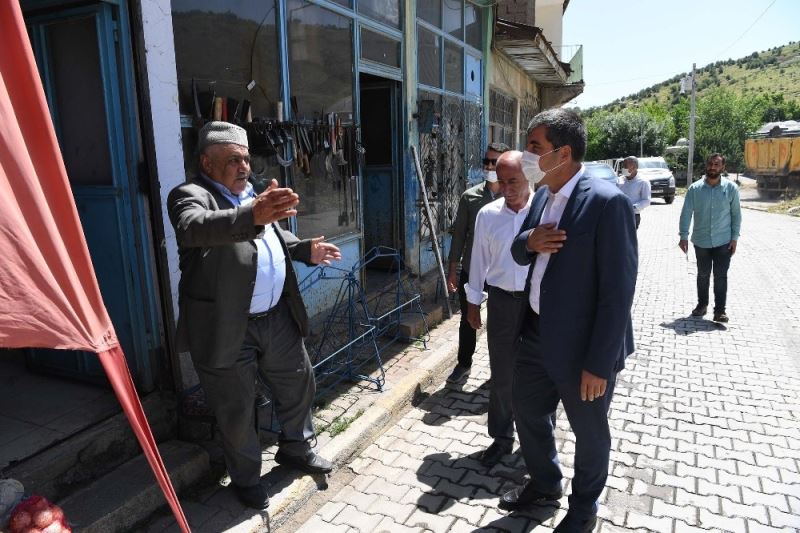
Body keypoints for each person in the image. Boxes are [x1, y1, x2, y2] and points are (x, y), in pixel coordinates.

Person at [167, 121, 342, 510]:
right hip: (226, 326)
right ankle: (246, 478)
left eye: (245, 158)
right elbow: (194, 229)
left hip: (276, 316)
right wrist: (252, 215)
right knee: (236, 408)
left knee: (298, 382)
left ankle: (295, 448)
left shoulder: (252, 193)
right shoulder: (189, 196)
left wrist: (304, 249)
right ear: (207, 163)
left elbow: (274, 237)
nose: (243, 166)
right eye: (233, 160)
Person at [501, 109, 637, 533]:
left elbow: (618, 293)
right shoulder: (543, 195)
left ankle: (583, 508)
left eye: (534, 146)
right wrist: (531, 240)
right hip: (536, 334)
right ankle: (545, 484)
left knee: (589, 433)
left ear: (562, 153)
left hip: (584, 348)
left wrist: (599, 363)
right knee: (526, 409)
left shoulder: (607, 202)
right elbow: (519, 249)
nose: (527, 154)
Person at [463, 151, 532, 467]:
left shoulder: (546, 211)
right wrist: (473, 302)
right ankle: (502, 438)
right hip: (502, 303)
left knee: (539, 375)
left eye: (513, 181)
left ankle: (537, 441)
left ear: (528, 176)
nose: (506, 188)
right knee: (502, 373)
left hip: (537, 304)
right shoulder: (488, 215)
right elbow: (478, 260)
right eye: (502, 182)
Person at [445, 142, 510, 383]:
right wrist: (453, 270)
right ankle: (464, 363)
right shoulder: (470, 197)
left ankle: (500, 370)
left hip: (502, 272)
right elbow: (459, 236)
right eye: (486, 161)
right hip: (473, 270)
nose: (489, 166)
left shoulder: (513, 196)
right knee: (468, 319)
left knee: (501, 323)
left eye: (495, 162)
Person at [679, 153, 741, 323]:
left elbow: (736, 215)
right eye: (710, 164)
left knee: (721, 276)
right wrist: (683, 236)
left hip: (724, 241)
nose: (713, 167)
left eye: (716, 164)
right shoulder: (695, 189)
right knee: (703, 275)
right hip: (701, 241)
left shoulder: (731, 188)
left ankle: (720, 311)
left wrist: (734, 238)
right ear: (706, 166)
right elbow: (686, 213)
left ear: (723, 168)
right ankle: (702, 305)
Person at [618, 155, 651, 229]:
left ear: (635, 167)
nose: (623, 168)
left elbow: (646, 201)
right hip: (618, 214)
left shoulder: (643, 181)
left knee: (629, 236)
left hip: (632, 216)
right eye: (623, 166)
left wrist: (632, 207)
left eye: (626, 166)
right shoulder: (619, 180)